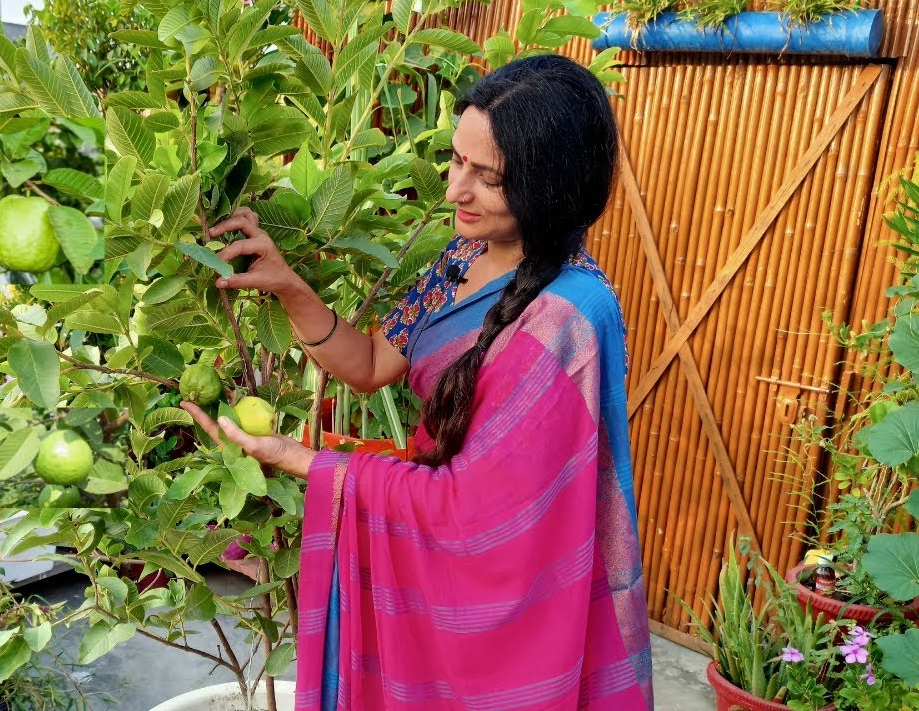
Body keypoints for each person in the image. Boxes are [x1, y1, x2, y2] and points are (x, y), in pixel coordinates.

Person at [181, 53, 653, 710]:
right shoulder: (460, 258)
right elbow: (372, 364)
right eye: (457, 160)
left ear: (550, 186)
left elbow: (480, 512)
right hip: (427, 562)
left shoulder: (568, 319)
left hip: (498, 597)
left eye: (485, 177)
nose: (455, 190)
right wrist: (290, 288)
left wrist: (298, 460)